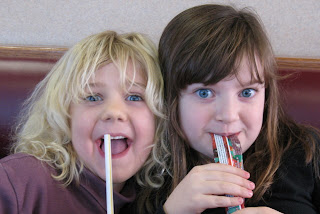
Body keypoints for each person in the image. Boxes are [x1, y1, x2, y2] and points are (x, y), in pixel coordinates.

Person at [135, 4, 320, 214]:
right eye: (204, 93)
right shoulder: (147, 175)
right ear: (172, 98)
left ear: (266, 95)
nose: (229, 116)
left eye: (247, 92)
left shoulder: (307, 151)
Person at [0, 30, 164, 214]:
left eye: (134, 97)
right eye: (93, 97)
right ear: (64, 114)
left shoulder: (160, 199)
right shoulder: (18, 181)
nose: (114, 112)